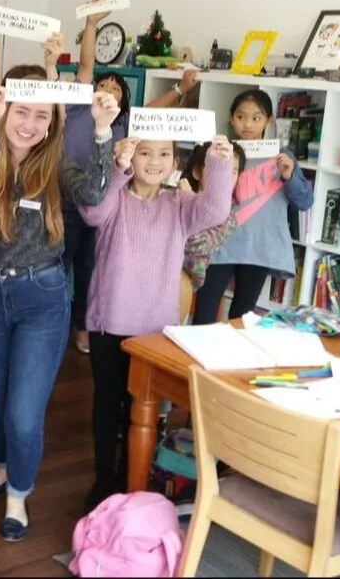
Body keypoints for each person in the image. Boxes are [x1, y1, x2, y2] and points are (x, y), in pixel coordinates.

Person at [0, 70, 116, 542]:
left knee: (24, 414)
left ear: (53, 122)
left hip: (42, 297)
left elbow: (93, 194)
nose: (29, 124)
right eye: (22, 112)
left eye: (41, 116)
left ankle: (18, 496)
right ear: (5, 108)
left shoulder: (57, 164)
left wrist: (103, 131)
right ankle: (5, 464)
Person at [79, 135, 234, 511]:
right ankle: (104, 481)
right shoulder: (115, 197)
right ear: (132, 156)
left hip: (155, 332)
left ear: (175, 162)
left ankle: (135, 481)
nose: (154, 161)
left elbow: (215, 211)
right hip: (109, 323)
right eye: (145, 152)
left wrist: (218, 162)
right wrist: (117, 169)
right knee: (108, 405)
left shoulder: (179, 203)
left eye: (164, 154)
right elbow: (92, 212)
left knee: (144, 409)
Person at [191, 90, 313, 323]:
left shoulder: (283, 157)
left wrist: (289, 176)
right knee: (203, 315)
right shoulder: (221, 151)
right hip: (219, 244)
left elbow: (305, 201)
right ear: (231, 118)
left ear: (269, 121)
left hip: (259, 248)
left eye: (256, 118)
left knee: (242, 319)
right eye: (240, 117)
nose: (247, 124)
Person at [63, 14, 130, 353]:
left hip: (99, 208)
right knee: (57, 268)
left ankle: (82, 329)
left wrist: (180, 90)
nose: (108, 90)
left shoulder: (120, 126)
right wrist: (90, 26)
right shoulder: (77, 108)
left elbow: (153, 114)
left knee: (87, 271)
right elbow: (87, 65)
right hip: (63, 201)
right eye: (104, 85)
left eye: (117, 88)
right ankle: (54, 327)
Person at [181, 141, 246, 292]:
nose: (225, 176)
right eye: (217, 168)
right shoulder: (176, 197)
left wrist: (186, 199)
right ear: (197, 172)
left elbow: (198, 245)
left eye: (233, 171)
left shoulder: (228, 219)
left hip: (184, 281)